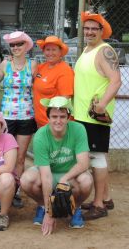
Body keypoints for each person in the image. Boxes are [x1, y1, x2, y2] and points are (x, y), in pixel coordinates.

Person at [20, 96, 92, 235]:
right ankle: (42, 206)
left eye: (62, 116)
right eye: (54, 116)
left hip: (70, 174)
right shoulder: (41, 135)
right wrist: (49, 211)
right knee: (26, 180)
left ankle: (75, 208)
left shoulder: (78, 129)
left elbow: (83, 163)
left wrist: (65, 178)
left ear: (68, 117)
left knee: (86, 181)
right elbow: (45, 175)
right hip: (49, 173)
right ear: (48, 118)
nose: (58, 121)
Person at [74, 12, 122, 220]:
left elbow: (116, 81)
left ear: (102, 31)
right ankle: (106, 198)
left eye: (94, 28)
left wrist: (102, 105)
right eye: (87, 28)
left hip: (94, 115)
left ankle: (98, 204)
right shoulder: (87, 49)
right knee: (95, 157)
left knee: (97, 157)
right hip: (83, 114)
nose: (90, 31)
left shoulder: (105, 51)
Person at [0, 31, 37, 207]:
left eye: (19, 44)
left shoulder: (33, 65)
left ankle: (17, 191)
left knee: (20, 157)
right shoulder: (4, 65)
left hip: (26, 116)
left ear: (26, 46)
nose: (15, 48)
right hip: (6, 116)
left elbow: (39, 88)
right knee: (5, 156)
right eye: (12, 45)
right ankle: (3, 188)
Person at [33, 36, 74, 128]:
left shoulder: (65, 71)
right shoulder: (41, 67)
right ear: (43, 52)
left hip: (55, 124)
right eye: (47, 49)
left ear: (60, 52)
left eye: (54, 50)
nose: (50, 53)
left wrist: (56, 123)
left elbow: (64, 100)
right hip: (41, 121)